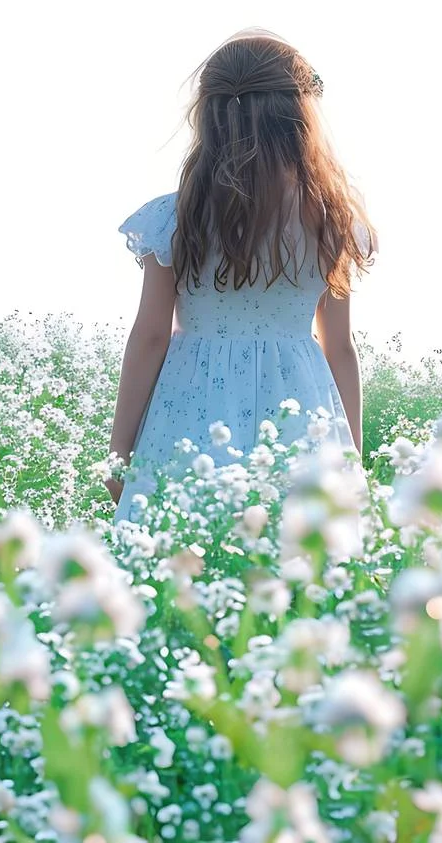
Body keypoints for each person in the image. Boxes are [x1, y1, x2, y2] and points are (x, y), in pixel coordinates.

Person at [105, 28, 378, 525]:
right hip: (300, 398)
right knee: (298, 555)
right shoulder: (330, 222)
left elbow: (150, 337)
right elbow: (339, 346)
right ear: (298, 119)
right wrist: (350, 457)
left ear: (209, 118)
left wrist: (119, 450)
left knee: (179, 545)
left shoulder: (174, 218)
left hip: (191, 399)